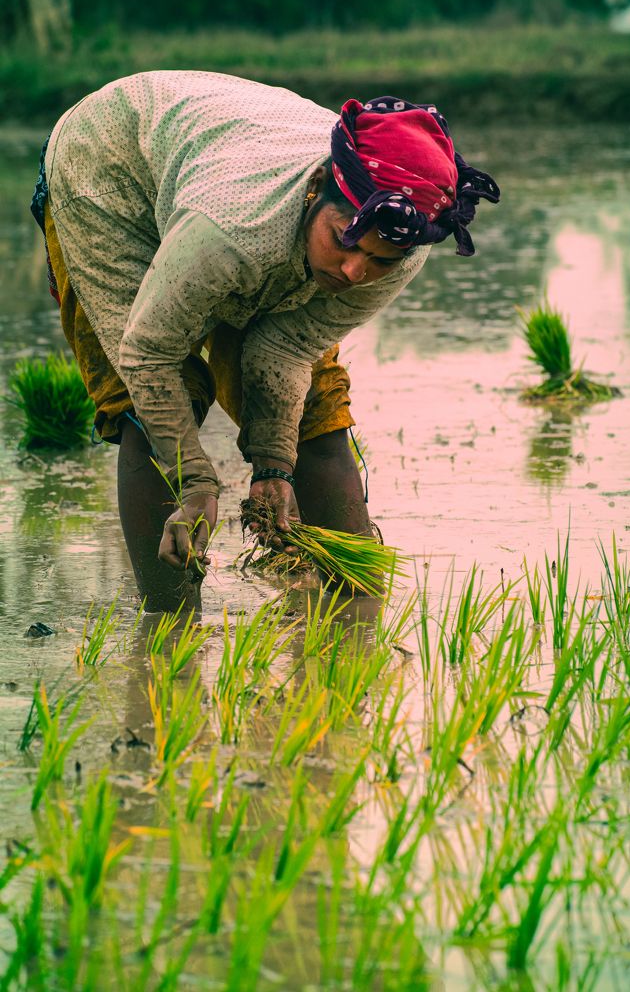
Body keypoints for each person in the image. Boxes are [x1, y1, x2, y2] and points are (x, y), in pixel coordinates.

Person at [31, 71, 499, 612]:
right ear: (315, 189)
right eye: (342, 240)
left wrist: (273, 468)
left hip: (224, 170)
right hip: (109, 174)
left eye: (377, 259)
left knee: (315, 406)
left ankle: (356, 618)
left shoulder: (403, 248)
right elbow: (148, 353)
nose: (352, 270)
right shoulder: (231, 227)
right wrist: (195, 482)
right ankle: (167, 632)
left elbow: (286, 351)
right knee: (153, 402)